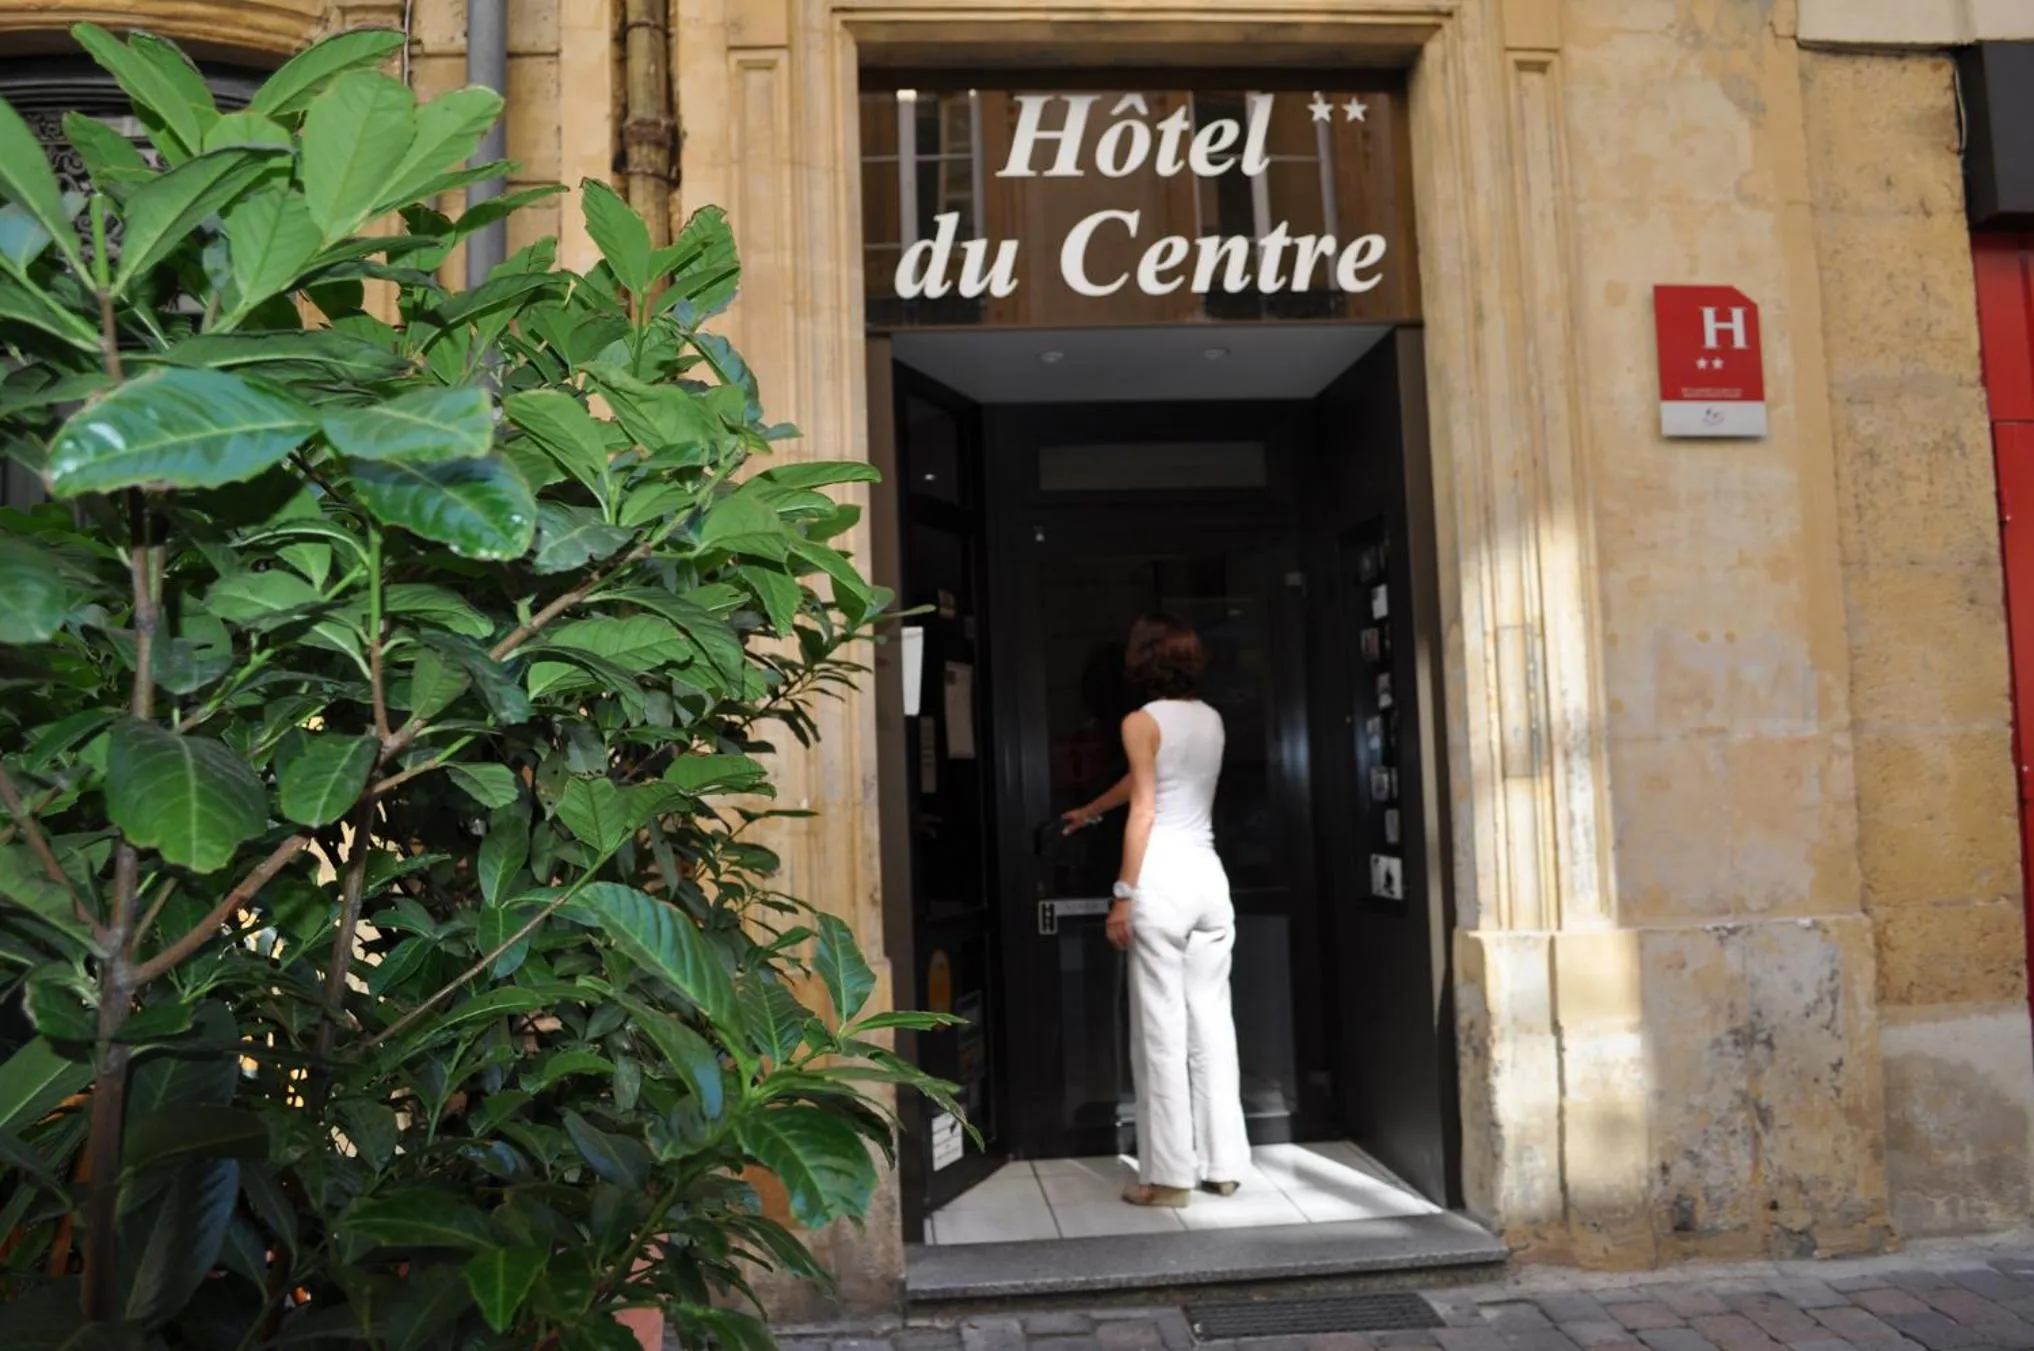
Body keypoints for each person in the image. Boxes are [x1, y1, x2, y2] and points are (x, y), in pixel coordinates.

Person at [1061, 614, 1251, 1207]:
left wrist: (1123, 894)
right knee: (1213, 1026)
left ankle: (1168, 1177)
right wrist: (1090, 809)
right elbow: (1164, 781)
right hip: (1209, 881)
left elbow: (1145, 808)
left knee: (1160, 1033)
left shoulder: (1140, 722)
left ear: (1142, 663)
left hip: (1162, 878)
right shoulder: (1212, 719)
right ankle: (1224, 1165)